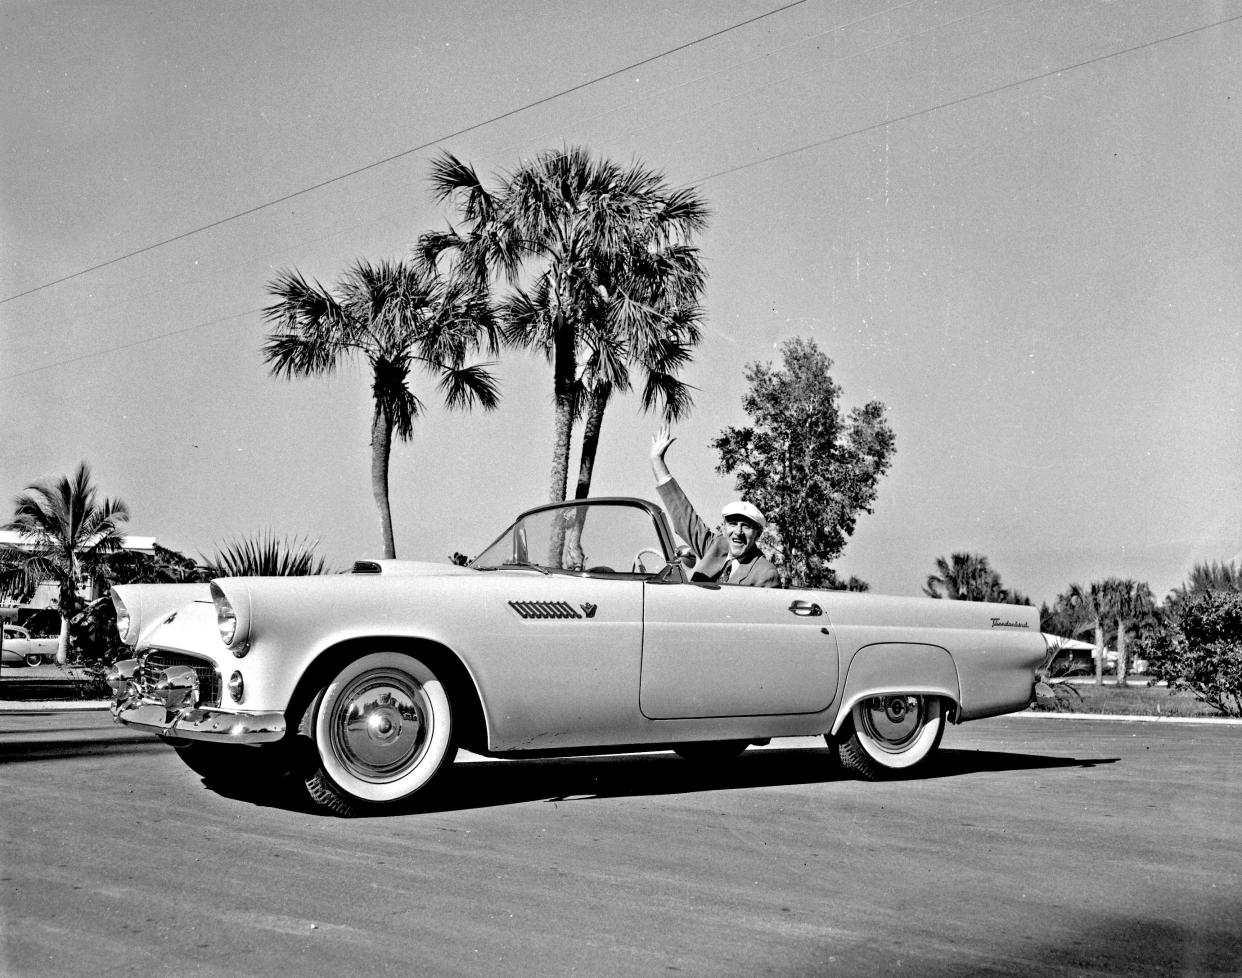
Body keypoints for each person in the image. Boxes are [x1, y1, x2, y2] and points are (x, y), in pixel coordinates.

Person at [649, 425, 781, 587]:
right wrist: (657, 461)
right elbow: (684, 517)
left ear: (758, 534)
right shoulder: (716, 546)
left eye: (746, 526)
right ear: (724, 528)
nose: (738, 532)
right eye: (732, 524)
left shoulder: (765, 573)